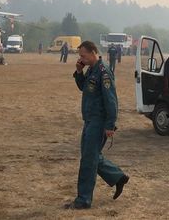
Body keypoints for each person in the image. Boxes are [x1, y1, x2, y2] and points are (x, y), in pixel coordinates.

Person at [64, 41, 129, 210]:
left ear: (93, 52)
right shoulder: (91, 70)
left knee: (88, 159)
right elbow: (83, 87)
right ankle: (118, 177)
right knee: (91, 155)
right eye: (80, 56)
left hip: (98, 122)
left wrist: (109, 125)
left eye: (83, 56)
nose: (81, 59)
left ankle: (83, 199)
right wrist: (79, 72)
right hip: (89, 120)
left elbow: (111, 101)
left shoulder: (103, 72)